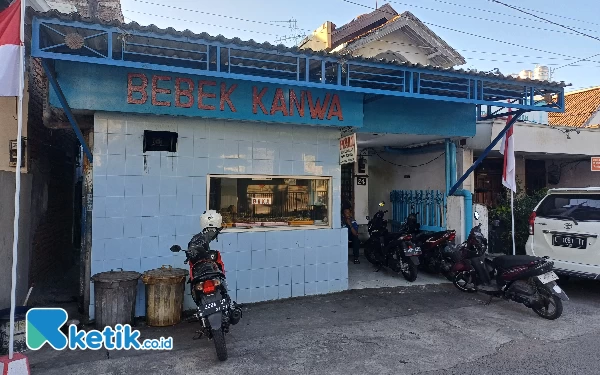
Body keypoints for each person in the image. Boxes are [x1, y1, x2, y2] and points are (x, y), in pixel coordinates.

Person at [342, 199, 360, 264]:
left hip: (350, 237)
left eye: (349, 212)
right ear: (343, 214)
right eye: (346, 212)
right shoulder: (341, 221)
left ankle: (356, 258)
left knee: (356, 239)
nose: (348, 214)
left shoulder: (353, 221)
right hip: (342, 237)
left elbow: (355, 233)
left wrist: (350, 224)